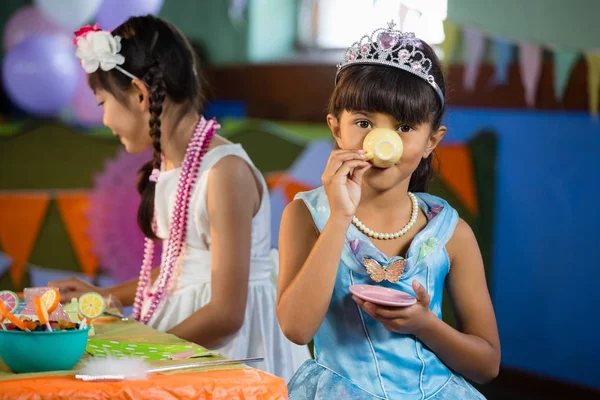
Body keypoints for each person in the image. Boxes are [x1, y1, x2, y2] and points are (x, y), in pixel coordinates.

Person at [51, 15, 308, 380]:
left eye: (102, 103)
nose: (105, 120)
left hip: (230, 349)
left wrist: (138, 351)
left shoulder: (224, 173)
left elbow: (227, 315)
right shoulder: (174, 164)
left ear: (140, 95)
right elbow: (183, 265)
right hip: (184, 331)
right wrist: (109, 295)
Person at [277, 22, 500, 399]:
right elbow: (297, 329)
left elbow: (487, 364)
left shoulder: (451, 232)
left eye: (405, 127)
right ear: (336, 129)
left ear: (432, 141)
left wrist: (425, 324)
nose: (382, 142)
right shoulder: (306, 216)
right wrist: (340, 218)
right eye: (363, 123)